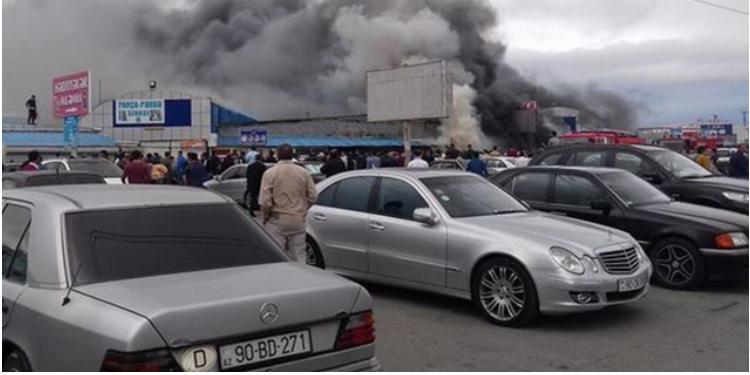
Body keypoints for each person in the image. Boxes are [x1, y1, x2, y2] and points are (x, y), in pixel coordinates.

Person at [259, 144, 317, 262]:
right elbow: (313, 196)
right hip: (297, 220)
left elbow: (265, 202)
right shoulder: (303, 172)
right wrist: (303, 209)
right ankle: (300, 278)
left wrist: (266, 216)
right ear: (292, 155)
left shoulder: (270, 173)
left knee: (277, 256)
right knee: (299, 255)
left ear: (278, 155)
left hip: (277, 220)